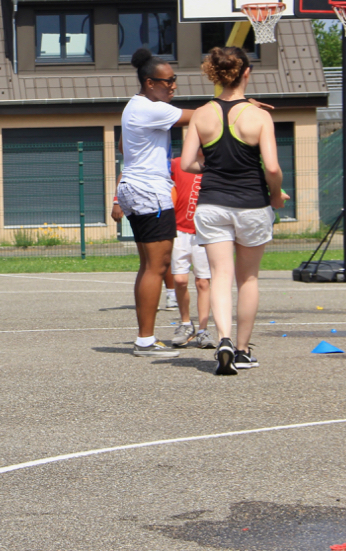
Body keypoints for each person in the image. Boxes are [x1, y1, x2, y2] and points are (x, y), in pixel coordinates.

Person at [179, 46, 286, 375]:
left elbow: (187, 163)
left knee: (220, 277)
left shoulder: (201, 114)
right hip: (252, 204)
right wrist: (276, 195)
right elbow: (272, 167)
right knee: (248, 278)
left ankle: (223, 338)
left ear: (215, 74)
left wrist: (214, 168)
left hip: (211, 204)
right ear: (246, 73)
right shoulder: (259, 116)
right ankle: (241, 350)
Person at [118, 48, 197, 358]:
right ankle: (145, 341)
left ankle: (145, 338)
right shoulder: (152, 108)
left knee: (148, 266)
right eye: (168, 81)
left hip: (135, 188)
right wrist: (238, 106)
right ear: (150, 83)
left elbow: (123, 145)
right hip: (150, 191)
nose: (173, 86)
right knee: (157, 266)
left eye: (175, 80)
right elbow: (202, 116)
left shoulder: (134, 107)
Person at [168, 153, 214, 349]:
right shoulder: (178, 164)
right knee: (180, 280)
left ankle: (203, 330)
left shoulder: (215, 164)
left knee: (203, 282)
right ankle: (186, 323)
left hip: (205, 231)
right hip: (180, 230)